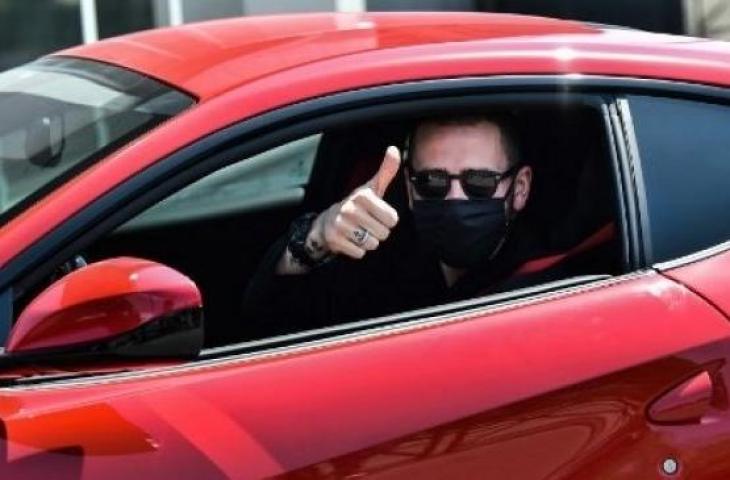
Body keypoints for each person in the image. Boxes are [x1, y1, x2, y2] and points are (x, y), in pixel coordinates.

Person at [242, 115, 544, 338]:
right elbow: (265, 324)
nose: (454, 199)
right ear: (411, 191)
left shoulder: (549, 289)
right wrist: (317, 234)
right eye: (432, 182)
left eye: (478, 183)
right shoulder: (381, 257)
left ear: (519, 188)